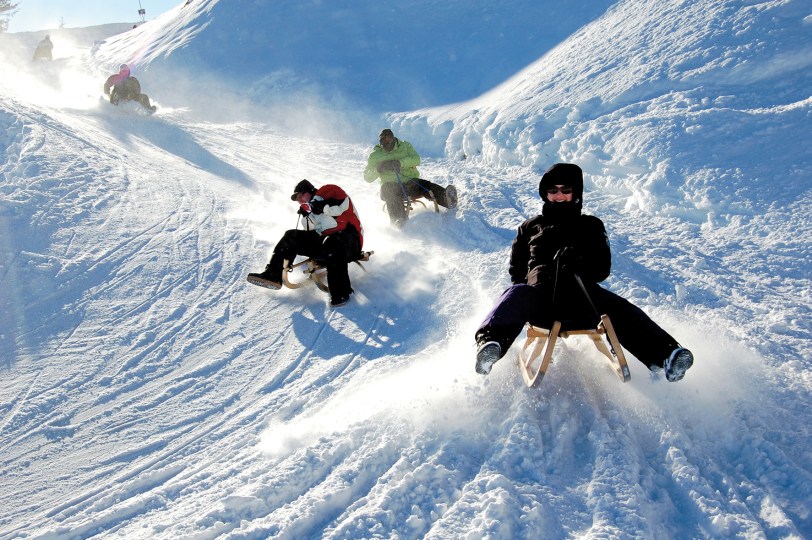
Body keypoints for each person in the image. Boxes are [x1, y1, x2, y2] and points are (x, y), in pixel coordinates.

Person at [474, 163, 694, 381]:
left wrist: (579, 261)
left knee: (617, 307)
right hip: (541, 303)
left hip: (582, 299)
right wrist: (531, 286)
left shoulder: (591, 226)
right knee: (517, 292)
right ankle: (490, 345)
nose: (558, 195)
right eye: (552, 190)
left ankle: (667, 355)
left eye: (565, 190)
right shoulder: (530, 227)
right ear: (545, 193)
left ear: (576, 192)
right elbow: (517, 270)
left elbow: (602, 269)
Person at [247, 179, 364, 307]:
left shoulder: (330, 192)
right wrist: (307, 215)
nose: (300, 200)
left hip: (350, 241)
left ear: (310, 191)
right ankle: (273, 275)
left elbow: (341, 207)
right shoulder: (312, 212)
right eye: (298, 199)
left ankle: (340, 292)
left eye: (301, 195)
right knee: (291, 235)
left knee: (334, 241)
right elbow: (311, 231)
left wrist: (319, 206)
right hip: (327, 244)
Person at [364, 128, 458, 226]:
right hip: (390, 186)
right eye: (383, 141)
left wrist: (401, 163)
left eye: (389, 139)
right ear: (380, 142)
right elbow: (367, 177)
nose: (386, 143)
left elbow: (416, 159)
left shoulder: (405, 146)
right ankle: (398, 219)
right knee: (389, 190)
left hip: (409, 182)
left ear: (393, 138)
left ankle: (446, 198)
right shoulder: (375, 156)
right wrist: (379, 169)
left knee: (424, 185)